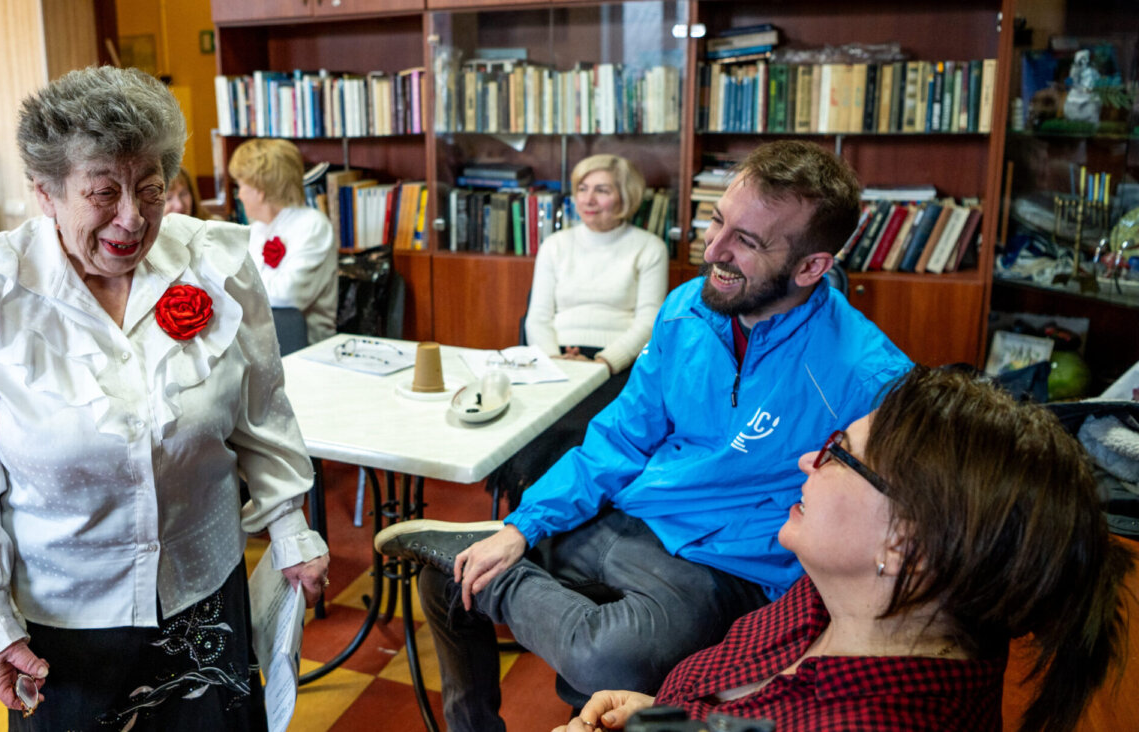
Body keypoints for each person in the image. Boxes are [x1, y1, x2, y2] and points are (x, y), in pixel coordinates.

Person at [376, 140, 914, 731]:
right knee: (451, 579)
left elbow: (879, 526)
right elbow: (622, 439)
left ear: (813, 267)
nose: (714, 251)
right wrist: (520, 527)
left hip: (724, 566)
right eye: (717, 222)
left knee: (609, 656)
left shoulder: (870, 377)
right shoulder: (688, 308)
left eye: (747, 242)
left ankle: (487, 564)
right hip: (637, 513)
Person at [0, 66, 329, 730]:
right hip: (64, 622)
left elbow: (263, 413)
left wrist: (289, 526)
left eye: (151, 189)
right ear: (46, 193)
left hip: (204, 594)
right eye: (104, 192)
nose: (133, 218)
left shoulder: (216, 262)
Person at [554, 366, 1135, 732]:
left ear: (907, 542)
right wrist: (664, 715)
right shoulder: (842, 597)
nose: (809, 460)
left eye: (838, 452)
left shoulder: (873, 716)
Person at [487, 154, 669, 509]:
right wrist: (554, 359)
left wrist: (602, 362)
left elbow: (649, 321)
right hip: (554, 359)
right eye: (582, 188)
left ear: (625, 196)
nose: (587, 199)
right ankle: (527, 524)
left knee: (582, 431)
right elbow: (537, 316)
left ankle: (571, 534)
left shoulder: (650, 248)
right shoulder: (556, 245)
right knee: (527, 428)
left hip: (618, 364)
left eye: (601, 190)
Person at [228, 138, 337, 343]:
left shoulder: (313, 226)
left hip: (305, 348)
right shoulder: (256, 230)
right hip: (261, 344)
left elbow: (289, 296)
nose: (239, 195)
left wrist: (238, 288)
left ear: (260, 191)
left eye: (241, 186)